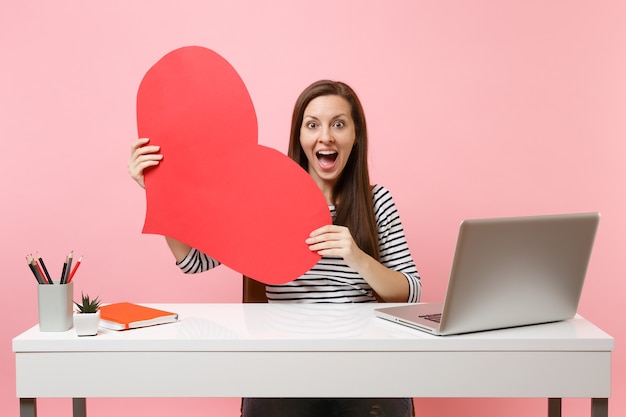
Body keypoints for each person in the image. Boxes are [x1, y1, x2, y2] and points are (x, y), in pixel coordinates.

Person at [128, 80, 421, 417]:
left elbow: (409, 292)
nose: (325, 136)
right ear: (300, 136)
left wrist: (357, 257)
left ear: (356, 136)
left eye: (338, 124)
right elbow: (194, 260)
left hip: (362, 363)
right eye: (312, 125)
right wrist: (158, 189)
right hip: (284, 364)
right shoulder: (266, 200)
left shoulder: (376, 202)